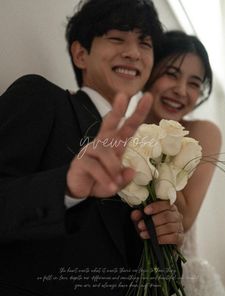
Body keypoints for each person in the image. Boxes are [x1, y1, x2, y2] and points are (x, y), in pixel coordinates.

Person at [0, 2, 184, 296]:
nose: (133, 52)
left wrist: (166, 242)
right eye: (117, 38)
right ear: (80, 54)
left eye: (145, 43)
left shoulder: (147, 153)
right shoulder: (42, 99)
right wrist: (66, 188)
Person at [145, 30, 225, 295]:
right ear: (149, 68)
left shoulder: (203, 133)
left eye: (194, 83)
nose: (181, 91)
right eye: (171, 73)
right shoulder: (117, 131)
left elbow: (186, 217)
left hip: (181, 277)